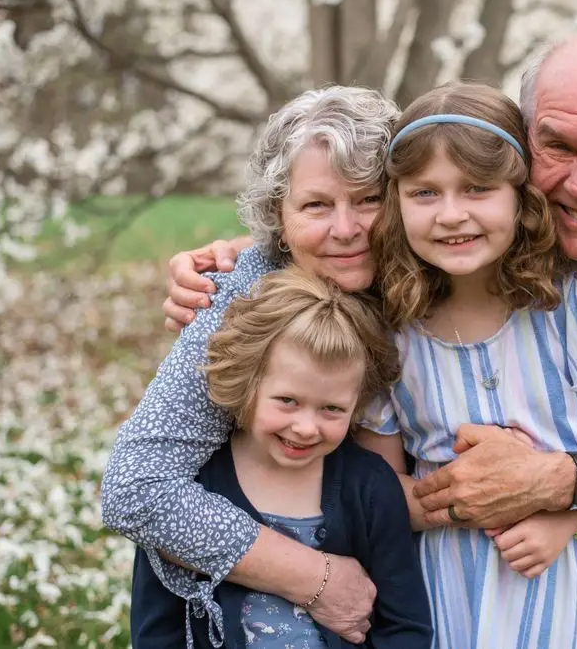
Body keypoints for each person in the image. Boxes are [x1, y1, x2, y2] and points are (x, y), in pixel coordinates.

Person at [164, 27, 577, 649]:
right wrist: (251, 257)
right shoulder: (397, 315)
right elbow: (359, 215)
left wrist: (562, 495)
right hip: (450, 571)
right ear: (526, 147)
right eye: (558, 146)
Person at [353, 82, 577, 648]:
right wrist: (464, 500)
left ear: (522, 198)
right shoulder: (390, 328)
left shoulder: (576, 304)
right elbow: (381, 483)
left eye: (478, 188)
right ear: (396, 203)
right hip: (449, 587)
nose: (451, 215)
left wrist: (566, 510)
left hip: (571, 573)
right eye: (425, 193)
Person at [101, 85, 403, 645]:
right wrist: (315, 578)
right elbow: (136, 487)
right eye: (316, 205)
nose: (346, 228)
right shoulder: (242, 294)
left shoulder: (444, 262)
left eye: (369, 199)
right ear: (278, 219)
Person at [130, 266, 431, 648]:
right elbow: (156, 626)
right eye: (288, 401)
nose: (306, 427)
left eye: (332, 409)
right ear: (248, 382)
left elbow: (405, 625)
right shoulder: (193, 485)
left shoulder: (371, 488)